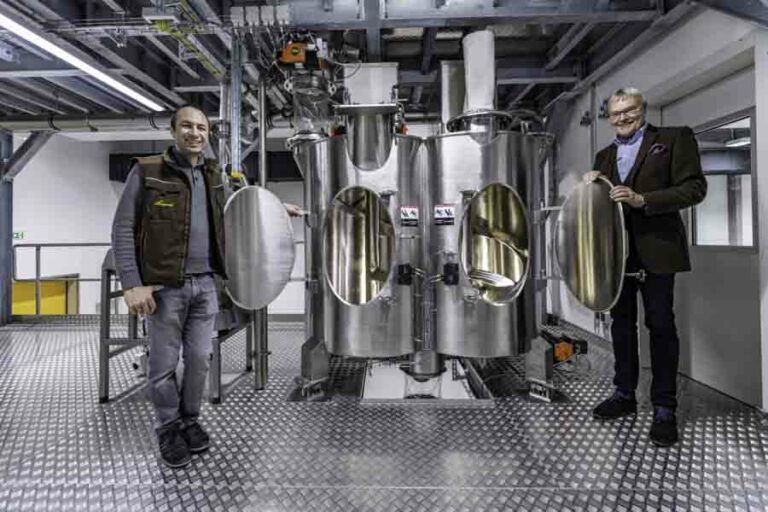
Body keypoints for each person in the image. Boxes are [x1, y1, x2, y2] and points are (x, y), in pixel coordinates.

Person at [111, 104, 301, 468]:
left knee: (200, 360)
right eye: (187, 126)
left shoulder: (213, 174)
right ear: (173, 131)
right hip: (164, 288)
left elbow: (240, 204)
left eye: (201, 127)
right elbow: (122, 228)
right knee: (163, 364)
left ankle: (190, 420)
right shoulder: (147, 170)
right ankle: (168, 428)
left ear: (207, 134)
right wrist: (132, 283)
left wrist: (276, 206)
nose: (194, 133)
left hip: (206, 285)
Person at [585, 87, 707, 447]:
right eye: (616, 113)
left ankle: (664, 408)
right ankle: (624, 393)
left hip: (657, 250)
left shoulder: (672, 139)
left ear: (643, 109)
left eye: (630, 110)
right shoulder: (604, 156)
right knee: (621, 326)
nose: (623, 117)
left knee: (660, 325)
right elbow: (600, 207)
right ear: (609, 117)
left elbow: (695, 188)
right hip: (617, 255)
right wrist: (590, 187)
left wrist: (643, 199)